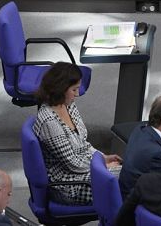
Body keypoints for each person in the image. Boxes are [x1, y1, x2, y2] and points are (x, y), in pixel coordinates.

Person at [32, 62, 120, 205]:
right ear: (60, 89)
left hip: (82, 172)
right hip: (69, 185)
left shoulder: (68, 105)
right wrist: (102, 166)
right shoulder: (49, 121)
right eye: (74, 89)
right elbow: (73, 164)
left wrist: (102, 157)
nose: (77, 94)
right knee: (125, 185)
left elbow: (83, 143)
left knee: (129, 175)